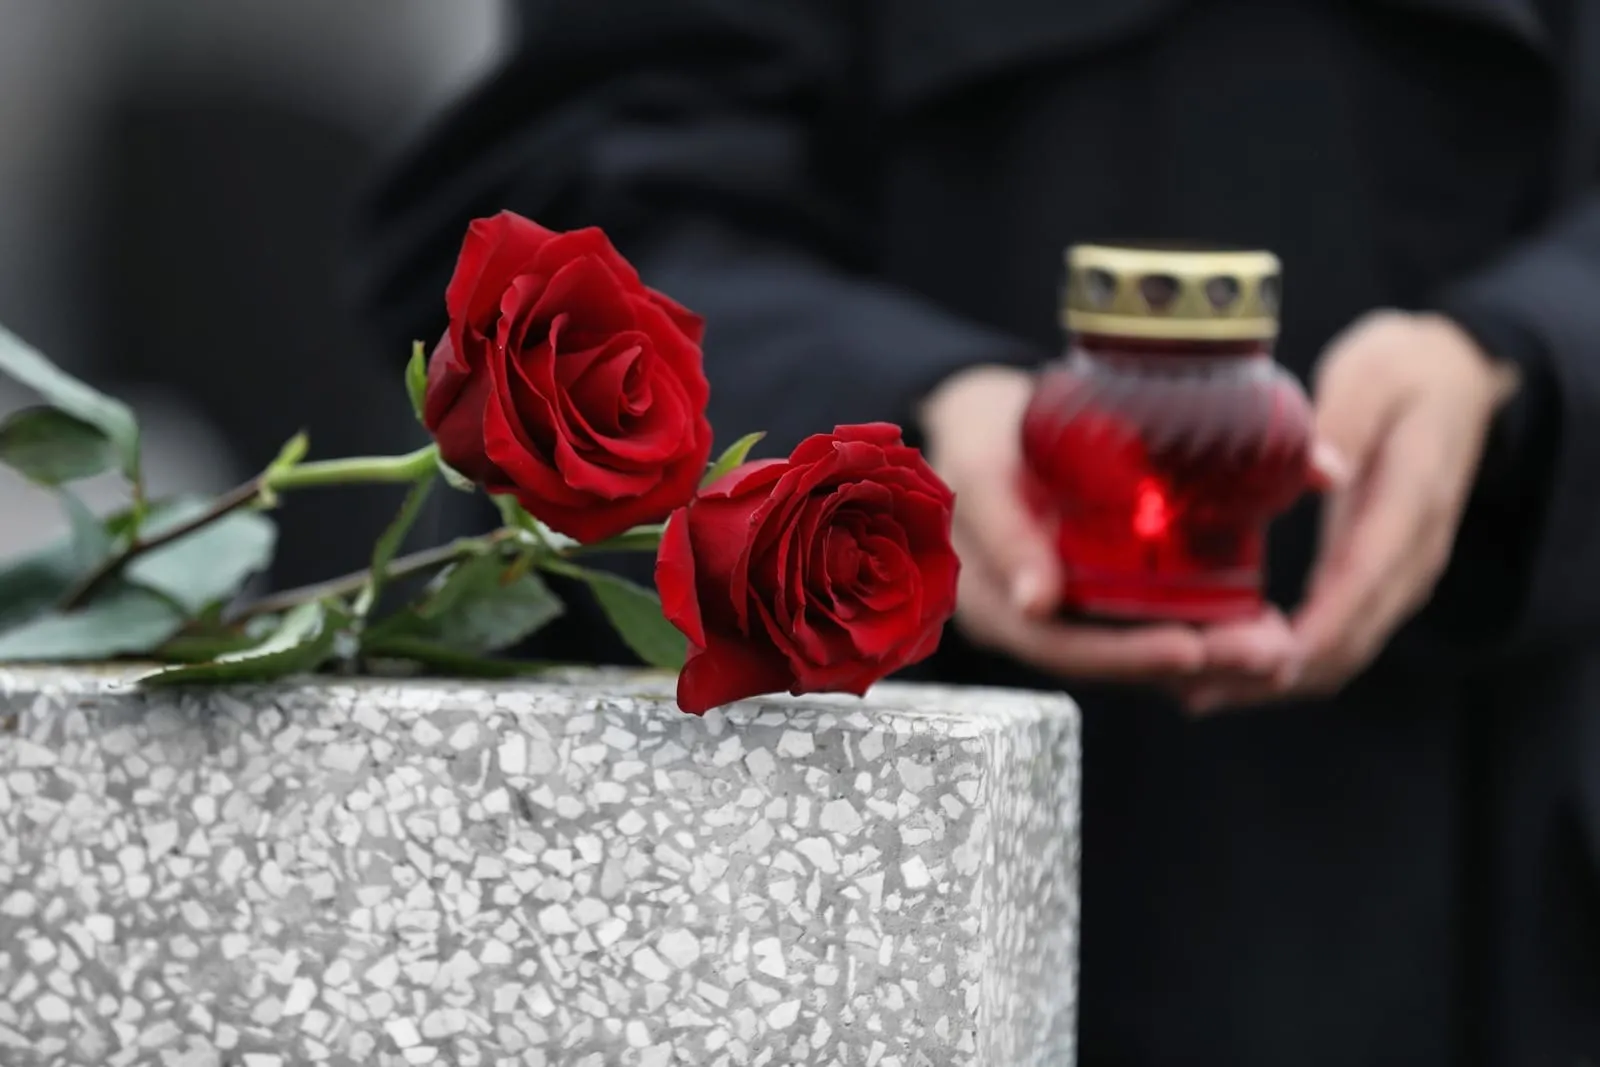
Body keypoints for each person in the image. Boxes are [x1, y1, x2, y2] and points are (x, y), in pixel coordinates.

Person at [349, 1, 1600, 1063]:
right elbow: (582, 193)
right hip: (879, 846)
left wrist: (1526, 361)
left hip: (1509, 858)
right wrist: (909, 421)